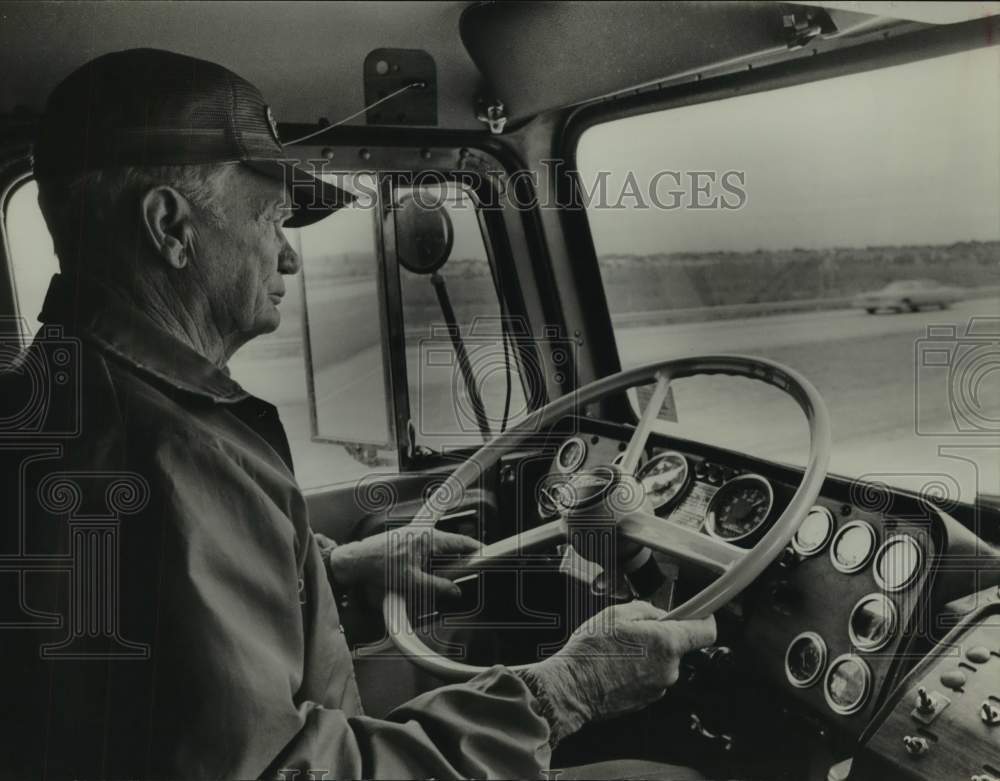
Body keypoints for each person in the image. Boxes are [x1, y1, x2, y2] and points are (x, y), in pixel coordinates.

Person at [0, 48, 716, 780]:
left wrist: (334, 575)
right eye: (272, 219)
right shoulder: (168, 452)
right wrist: (564, 691)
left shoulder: (54, 401)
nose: (289, 258)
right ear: (170, 226)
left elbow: (164, 655)